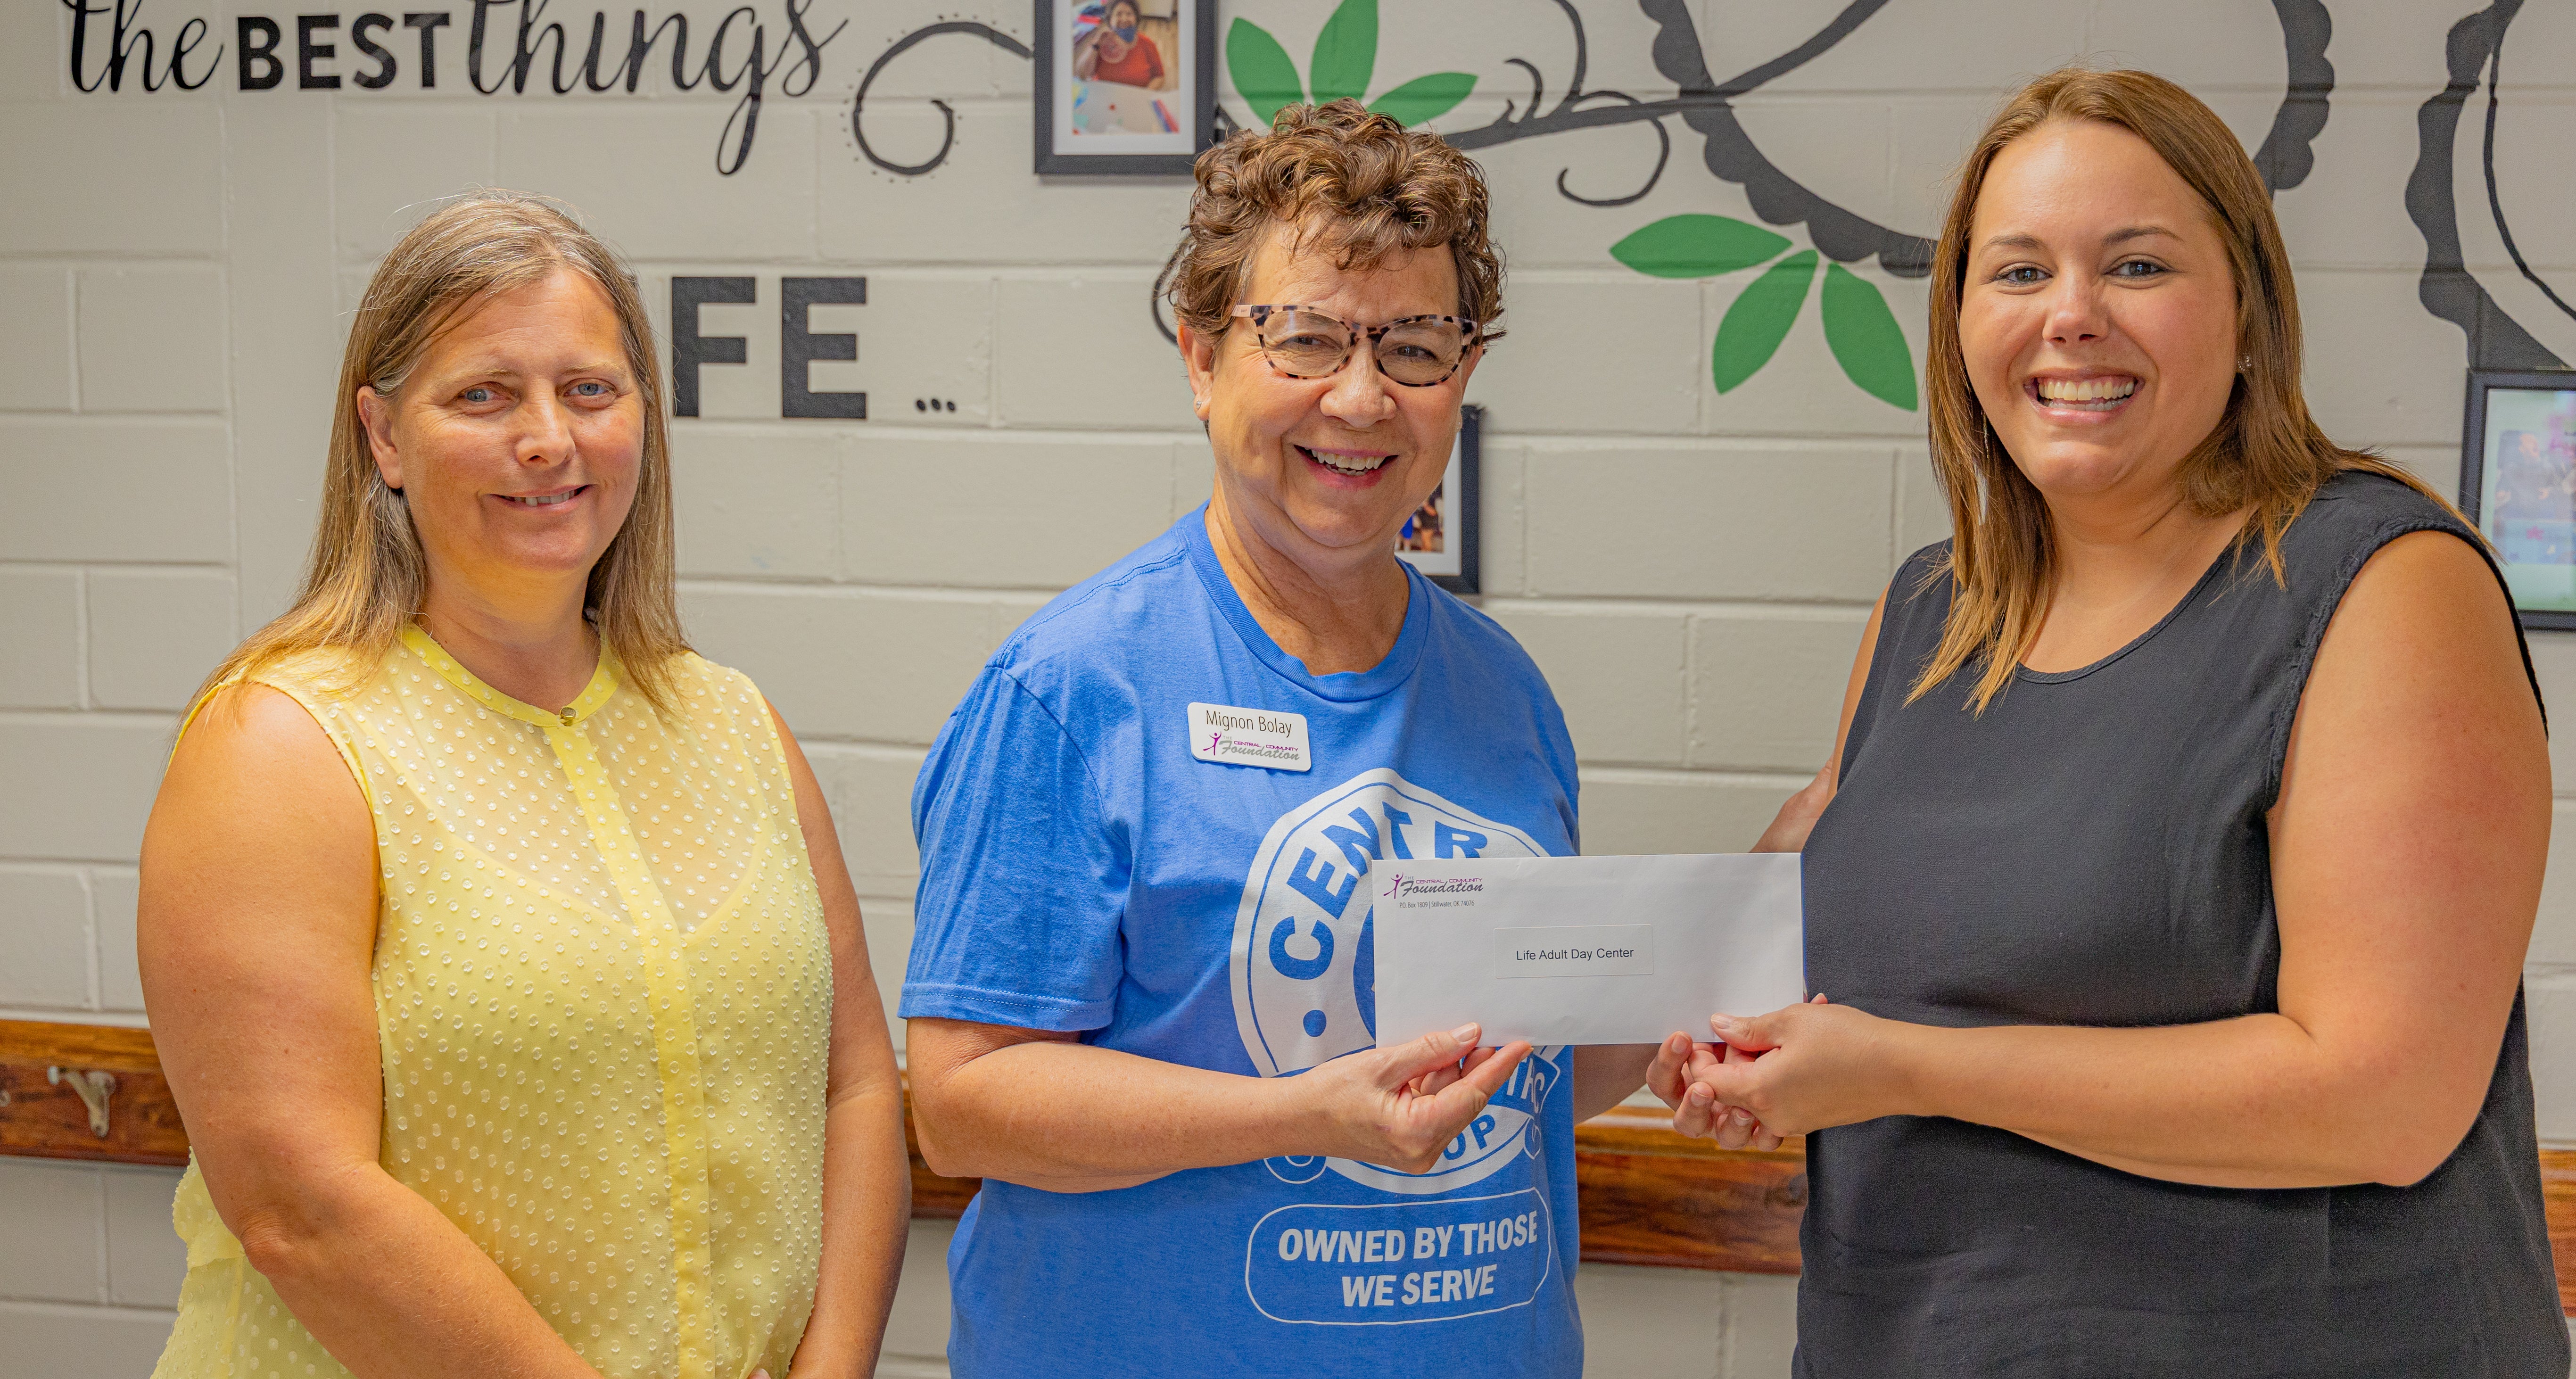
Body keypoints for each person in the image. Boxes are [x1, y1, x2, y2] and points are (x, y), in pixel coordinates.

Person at [1667, 69, 2568, 1373]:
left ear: (2251, 315)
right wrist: (1698, 1026)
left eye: (2137, 265)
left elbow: (2385, 1100)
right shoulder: (1932, 610)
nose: (2071, 318)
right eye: (2018, 271)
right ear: (1961, 323)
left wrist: (1906, 1066)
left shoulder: (2381, 582)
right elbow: (1814, 906)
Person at [900, 101, 1693, 1377]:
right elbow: (963, 1100)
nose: (1364, 396)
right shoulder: (1072, 685)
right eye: (1308, 337)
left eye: (1416, 346)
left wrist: (1692, 1007)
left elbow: (1520, 1063)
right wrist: (1302, 1114)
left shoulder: (1505, 690)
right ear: (1203, 356)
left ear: (1463, 375)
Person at [136, 193, 911, 1379]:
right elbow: (300, 1205)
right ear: (383, 437)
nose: (548, 437)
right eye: (484, 393)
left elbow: (855, 1084)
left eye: (589, 389)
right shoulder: (283, 741)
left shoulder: (732, 721)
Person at [1071, 0, 1164, 89]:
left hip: (1137, 100)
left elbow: (1159, 77)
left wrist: (1144, 95)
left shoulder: (1147, 44)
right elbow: (1082, 75)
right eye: (1118, 14)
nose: (1124, 19)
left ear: (1136, 19)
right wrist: (1096, 44)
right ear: (1110, 20)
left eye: (1129, 14)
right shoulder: (1101, 43)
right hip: (1107, 100)